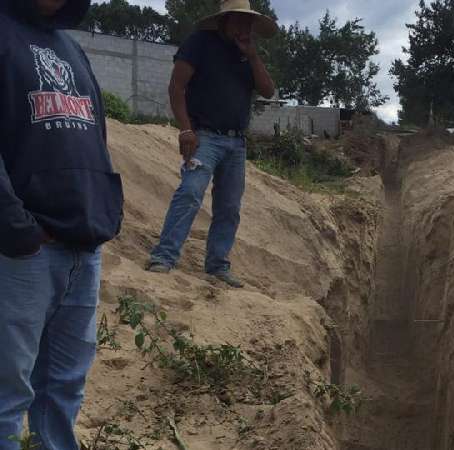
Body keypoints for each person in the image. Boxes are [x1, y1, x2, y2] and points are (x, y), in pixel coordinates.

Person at [0, 0, 125, 446]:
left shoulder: (72, 49)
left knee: (64, 388)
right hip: (22, 256)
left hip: (82, 249)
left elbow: (95, 137)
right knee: (7, 397)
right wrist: (18, 230)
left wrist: (102, 206)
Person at [146, 0, 277, 288]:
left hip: (236, 143)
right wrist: (185, 130)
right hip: (204, 137)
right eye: (239, 21)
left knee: (229, 207)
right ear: (223, 20)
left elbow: (268, 91)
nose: (244, 28)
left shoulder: (248, 55)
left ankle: (217, 265)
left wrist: (252, 55)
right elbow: (176, 87)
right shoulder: (199, 43)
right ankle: (164, 257)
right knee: (190, 193)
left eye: (248, 23)